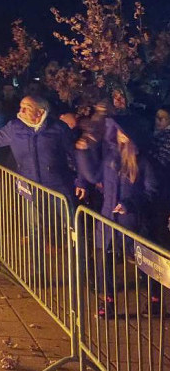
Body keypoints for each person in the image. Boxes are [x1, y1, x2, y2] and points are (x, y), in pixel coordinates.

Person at [75, 120, 162, 316]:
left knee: (143, 262)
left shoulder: (143, 161)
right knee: (102, 260)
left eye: (124, 132)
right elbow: (94, 177)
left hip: (133, 221)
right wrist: (83, 153)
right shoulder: (110, 157)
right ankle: (108, 302)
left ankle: (154, 300)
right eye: (118, 132)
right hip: (107, 219)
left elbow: (151, 190)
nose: (120, 135)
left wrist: (130, 205)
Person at [0, 96, 77, 204]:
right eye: (21, 106)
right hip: (29, 186)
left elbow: (72, 154)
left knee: (65, 219)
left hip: (58, 186)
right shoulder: (14, 128)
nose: (21, 111)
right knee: (34, 220)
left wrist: (80, 181)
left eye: (27, 107)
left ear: (40, 112)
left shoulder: (59, 128)